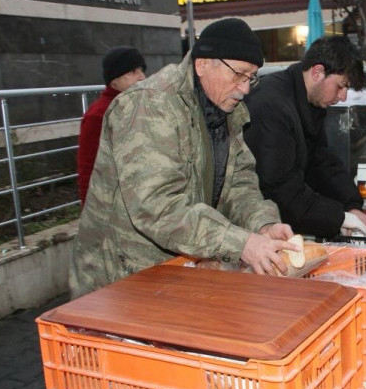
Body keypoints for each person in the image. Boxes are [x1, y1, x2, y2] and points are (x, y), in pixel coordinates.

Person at [70, 18, 297, 298]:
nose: (245, 89)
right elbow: (157, 206)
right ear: (203, 64)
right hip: (118, 280)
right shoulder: (150, 104)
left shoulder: (227, 109)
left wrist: (262, 224)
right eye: (239, 74)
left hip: (172, 272)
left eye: (251, 78)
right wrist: (241, 243)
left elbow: (239, 183)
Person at [243, 35, 366, 239]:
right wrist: (339, 218)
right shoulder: (271, 106)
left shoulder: (309, 101)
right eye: (341, 86)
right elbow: (280, 191)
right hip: (253, 228)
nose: (343, 96)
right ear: (317, 72)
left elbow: (321, 161)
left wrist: (352, 206)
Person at [77, 46, 146, 206]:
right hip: (116, 209)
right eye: (132, 72)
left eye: (141, 70)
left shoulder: (141, 106)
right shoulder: (98, 115)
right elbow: (89, 169)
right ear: (114, 80)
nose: (141, 77)